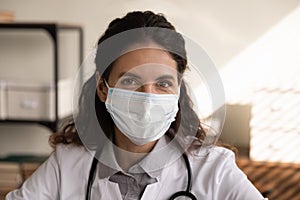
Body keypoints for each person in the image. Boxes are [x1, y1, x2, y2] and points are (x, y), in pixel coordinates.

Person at [6, 11, 265, 200]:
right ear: (103, 88)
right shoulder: (68, 165)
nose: (148, 97)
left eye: (163, 83)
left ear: (178, 90)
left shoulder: (214, 169)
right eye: (131, 80)